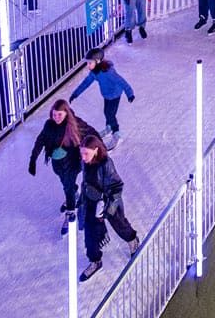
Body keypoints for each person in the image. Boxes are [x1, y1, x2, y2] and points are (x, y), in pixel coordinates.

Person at [76, 135, 140, 279]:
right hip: (91, 200)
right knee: (90, 233)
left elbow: (117, 186)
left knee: (119, 224)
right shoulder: (85, 162)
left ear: (96, 150)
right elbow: (85, 182)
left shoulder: (106, 164)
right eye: (82, 153)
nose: (83, 157)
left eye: (86, 153)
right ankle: (95, 261)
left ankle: (132, 239)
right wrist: (81, 200)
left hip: (109, 200)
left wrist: (109, 208)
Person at [28, 99, 96, 231]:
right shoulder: (49, 126)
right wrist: (33, 159)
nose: (57, 118)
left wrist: (98, 150)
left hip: (72, 162)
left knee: (68, 187)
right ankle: (74, 193)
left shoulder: (75, 123)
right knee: (66, 184)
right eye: (54, 114)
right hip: (57, 163)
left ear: (66, 113)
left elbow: (92, 133)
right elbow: (40, 140)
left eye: (60, 114)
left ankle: (70, 213)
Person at [70, 54, 136, 142]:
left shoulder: (109, 72)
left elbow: (121, 81)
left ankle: (116, 132)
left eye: (90, 63)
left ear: (97, 62)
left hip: (115, 94)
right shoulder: (94, 73)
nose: (88, 65)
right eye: (87, 63)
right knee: (106, 111)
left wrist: (129, 94)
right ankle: (109, 127)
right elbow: (86, 83)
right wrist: (75, 94)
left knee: (110, 113)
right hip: (106, 94)